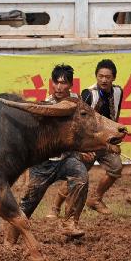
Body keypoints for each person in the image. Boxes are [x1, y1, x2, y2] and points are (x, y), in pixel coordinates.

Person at [11, 64, 90, 239]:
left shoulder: (78, 103)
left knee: (81, 177)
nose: (59, 87)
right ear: (52, 83)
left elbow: (84, 130)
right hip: (43, 163)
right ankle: (10, 239)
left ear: (71, 85)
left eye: (64, 83)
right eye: (56, 82)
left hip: (66, 159)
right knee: (27, 205)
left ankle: (70, 223)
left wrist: (85, 148)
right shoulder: (46, 107)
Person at [77, 59, 125, 215]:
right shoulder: (88, 94)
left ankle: (96, 199)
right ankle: (55, 207)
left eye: (107, 77)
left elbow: (113, 118)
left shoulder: (118, 92)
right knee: (78, 175)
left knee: (116, 167)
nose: (104, 80)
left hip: (105, 142)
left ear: (113, 78)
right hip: (88, 143)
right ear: (96, 76)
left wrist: (116, 135)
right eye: (100, 76)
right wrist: (81, 148)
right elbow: (79, 123)